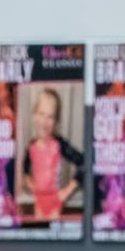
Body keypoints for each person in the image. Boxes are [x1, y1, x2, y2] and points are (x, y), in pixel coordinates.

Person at [20, 85, 83, 227]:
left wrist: (67, 191)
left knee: (52, 232)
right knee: (39, 231)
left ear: (56, 121)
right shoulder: (31, 146)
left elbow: (84, 163)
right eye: (41, 114)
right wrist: (30, 184)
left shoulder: (59, 145)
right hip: (39, 200)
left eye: (50, 117)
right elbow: (25, 171)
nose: (44, 122)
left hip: (55, 200)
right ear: (34, 115)